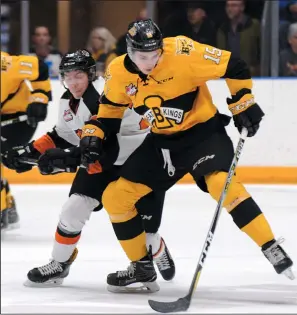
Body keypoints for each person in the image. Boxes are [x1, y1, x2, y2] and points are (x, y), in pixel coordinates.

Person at [78, 19, 295, 292]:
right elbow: (109, 110)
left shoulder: (182, 51)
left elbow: (234, 65)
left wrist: (243, 102)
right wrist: (94, 133)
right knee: (115, 197)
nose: (150, 62)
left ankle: (270, 245)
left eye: (154, 55)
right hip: (162, 143)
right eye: (143, 56)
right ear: (130, 52)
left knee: (220, 184)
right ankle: (141, 267)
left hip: (203, 136)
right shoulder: (118, 71)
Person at [2, 49, 175, 287]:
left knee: (144, 233)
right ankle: (59, 264)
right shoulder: (68, 100)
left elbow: (107, 145)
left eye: (78, 76)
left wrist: (65, 160)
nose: (72, 82)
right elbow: (62, 135)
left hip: (136, 164)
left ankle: (155, 250)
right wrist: (30, 151)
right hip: (100, 162)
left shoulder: (106, 95)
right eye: (68, 76)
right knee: (73, 209)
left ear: (90, 75)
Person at [1, 51, 51, 231]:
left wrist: (39, 99)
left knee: (7, 157)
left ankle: (3, 206)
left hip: (19, 118)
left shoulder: (7, 65)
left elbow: (42, 69)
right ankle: (7, 201)